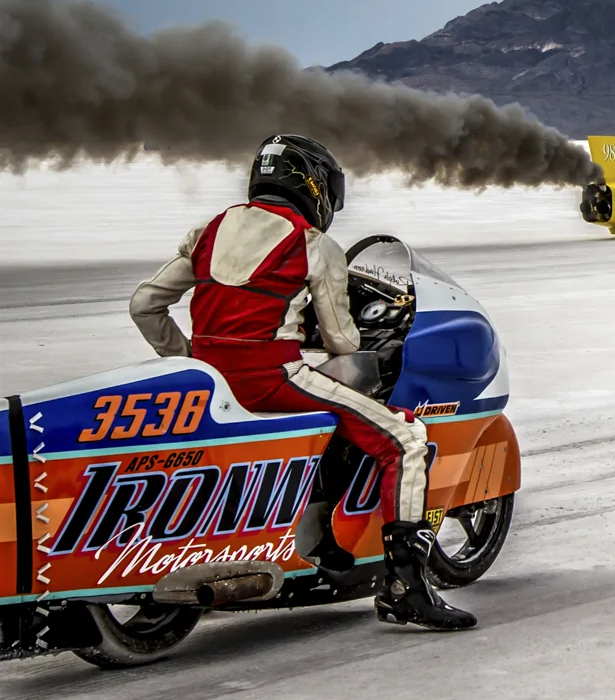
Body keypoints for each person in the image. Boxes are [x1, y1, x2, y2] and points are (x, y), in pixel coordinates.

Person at [129, 135, 475, 631]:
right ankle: (405, 589)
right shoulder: (312, 244)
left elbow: (145, 304)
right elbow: (341, 340)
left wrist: (190, 362)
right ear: (313, 185)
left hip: (209, 387)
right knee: (405, 440)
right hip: (274, 381)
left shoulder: (209, 231)